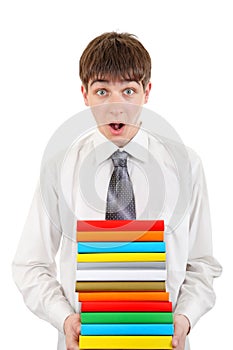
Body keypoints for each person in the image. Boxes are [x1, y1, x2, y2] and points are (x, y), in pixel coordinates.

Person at [12, 32, 222, 350]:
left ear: (146, 92)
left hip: (164, 343)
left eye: (128, 90)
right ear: (84, 94)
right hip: (84, 343)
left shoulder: (185, 165)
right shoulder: (59, 167)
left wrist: (185, 318)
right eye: (101, 91)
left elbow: (202, 262)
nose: (115, 107)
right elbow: (31, 263)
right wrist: (65, 319)